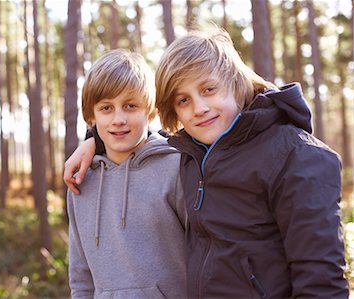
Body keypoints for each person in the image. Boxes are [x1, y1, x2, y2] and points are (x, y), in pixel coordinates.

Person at [64, 27, 349, 298]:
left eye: (209, 89)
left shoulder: (296, 156)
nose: (199, 108)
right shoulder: (196, 156)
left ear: (236, 83)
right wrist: (95, 141)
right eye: (183, 100)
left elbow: (321, 281)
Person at [66, 48, 187, 299]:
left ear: (150, 111)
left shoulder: (175, 168)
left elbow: (206, 255)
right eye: (106, 108)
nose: (118, 119)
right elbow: (81, 277)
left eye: (130, 106)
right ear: (92, 115)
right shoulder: (81, 181)